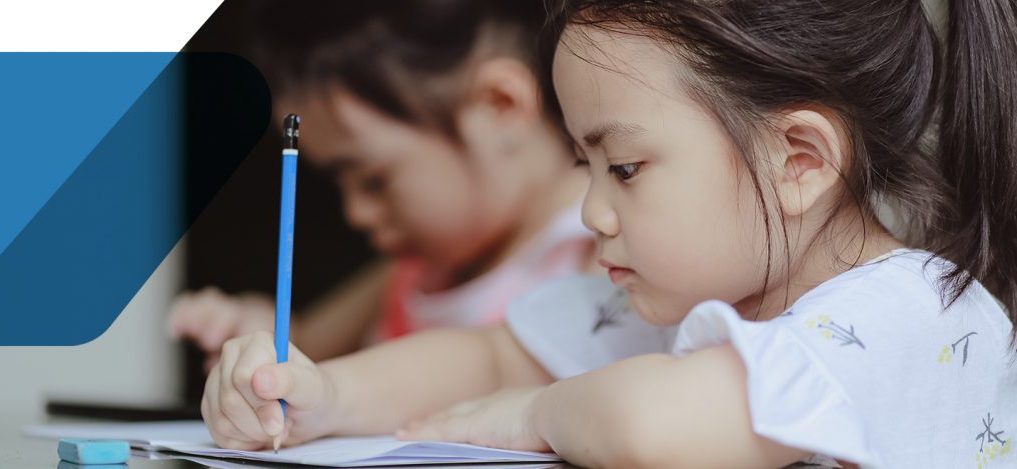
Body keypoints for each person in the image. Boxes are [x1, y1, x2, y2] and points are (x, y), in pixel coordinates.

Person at [200, 1, 1017, 467]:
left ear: (797, 159)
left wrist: (538, 412)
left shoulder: (913, 314)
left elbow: (648, 427)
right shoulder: (682, 301)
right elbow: (489, 354)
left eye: (623, 167)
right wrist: (324, 395)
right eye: (583, 166)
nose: (590, 211)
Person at [167, 0, 595, 367]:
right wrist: (259, 337)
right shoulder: (411, 273)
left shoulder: (598, 252)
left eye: (373, 181)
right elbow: (305, 356)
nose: (356, 213)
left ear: (499, 105)